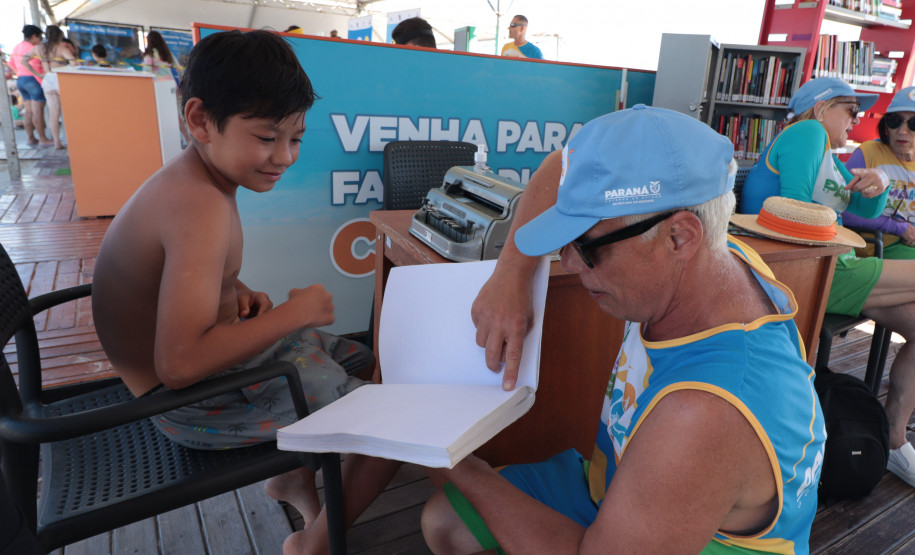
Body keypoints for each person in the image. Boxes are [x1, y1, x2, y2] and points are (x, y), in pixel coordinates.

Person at [421, 105, 825, 553]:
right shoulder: (717, 254)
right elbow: (562, 166)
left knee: (458, 503)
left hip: (669, 525)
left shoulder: (703, 412)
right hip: (623, 486)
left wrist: (456, 463)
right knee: (446, 522)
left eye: (587, 245)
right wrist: (511, 272)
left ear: (678, 237)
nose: (570, 264)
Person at [90, 29, 401, 555]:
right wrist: (292, 314)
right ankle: (316, 545)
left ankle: (292, 480)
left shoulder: (197, 183)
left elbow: (184, 281)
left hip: (205, 378)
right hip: (187, 404)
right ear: (199, 120)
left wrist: (240, 292)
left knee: (354, 355)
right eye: (266, 137)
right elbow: (180, 364)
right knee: (390, 425)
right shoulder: (198, 204)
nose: (284, 156)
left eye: (295, 138)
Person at [740, 77, 915, 489]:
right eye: (851, 111)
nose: (856, 122)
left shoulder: (827, 156)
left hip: (832, 267)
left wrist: (876, 187)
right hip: (805, 270)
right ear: (821, 109)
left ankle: (892, 432)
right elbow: (796, 209)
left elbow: (855, 204)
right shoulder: (806, 133)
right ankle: (890, 438)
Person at [840, 85, 915, 258]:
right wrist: (900, 228)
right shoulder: (868, 153)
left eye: (913, 124)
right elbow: (843, 209)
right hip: (872, 245)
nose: (902, 131)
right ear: (886, 125)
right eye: (895, 121)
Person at [24, 25, 76, 150]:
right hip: (61, 79)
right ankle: (71, 140)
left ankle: (57, 142)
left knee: (54, 113)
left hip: (47, 80)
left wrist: (37, 74)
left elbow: (24, 60)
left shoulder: (38, 48)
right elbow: (75, 63)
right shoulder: (61, 48)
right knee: (68, 112)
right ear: (60, 35)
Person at [9, 25, 51, 147]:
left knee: (28, 112)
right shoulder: (34, 47)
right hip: (34, 80)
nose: (41, 40)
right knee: (38, 111)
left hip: (21, 80)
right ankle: (43, 139)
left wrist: (20, 71)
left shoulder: (16, 47)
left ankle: (31, 138)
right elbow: (43, 65)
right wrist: (38, 74)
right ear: (34, 36)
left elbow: (11, 64)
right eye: (40, 37)